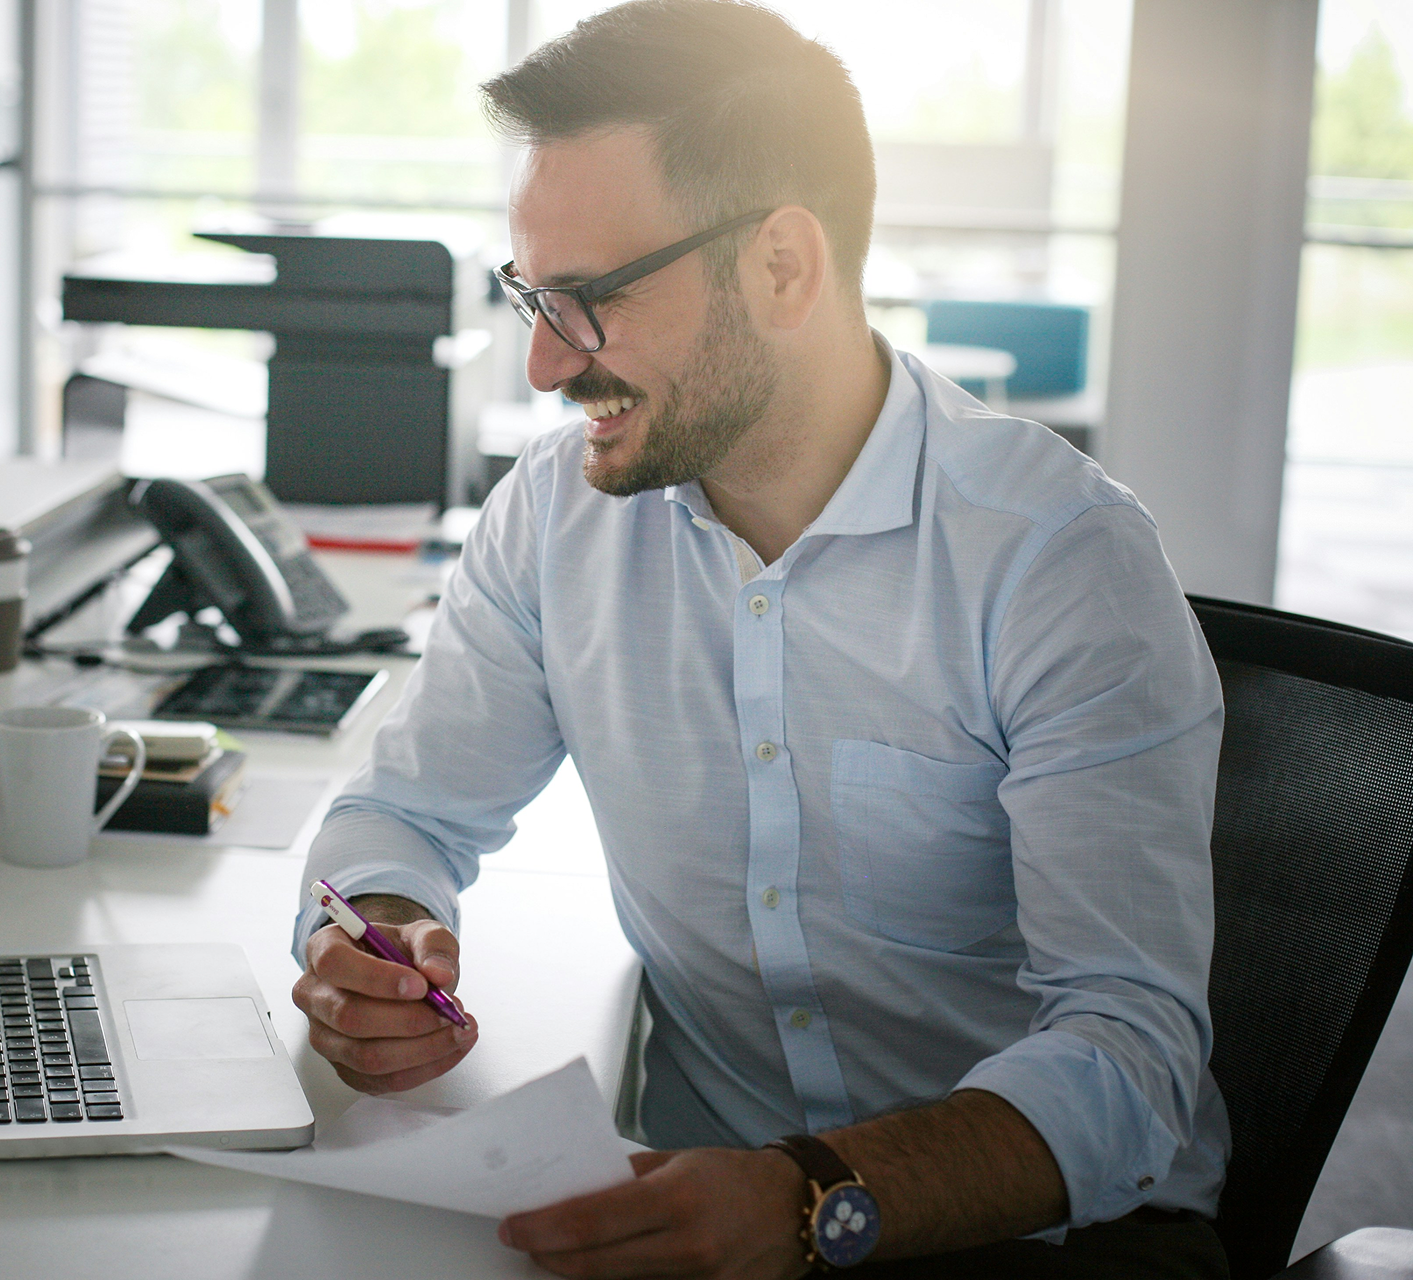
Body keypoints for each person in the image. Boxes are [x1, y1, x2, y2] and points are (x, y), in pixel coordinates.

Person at [289, 2, 1230, 1275]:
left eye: (589, 299)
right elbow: (407, 810)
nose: (543, 366)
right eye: (530, 296)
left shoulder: (1057, 562)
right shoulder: (556, 518)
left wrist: (803, 1198)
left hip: (1041, 1227)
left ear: (783, 266)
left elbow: (1130, 1057)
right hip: (702, 1203)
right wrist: (371, 941)